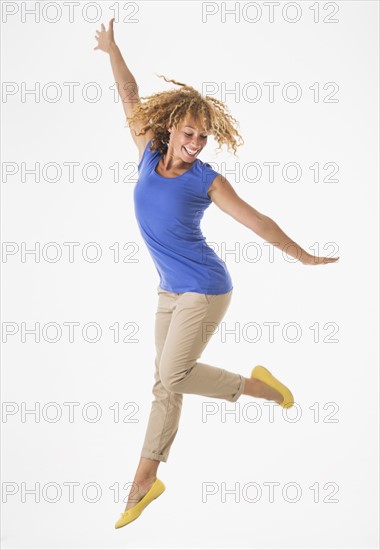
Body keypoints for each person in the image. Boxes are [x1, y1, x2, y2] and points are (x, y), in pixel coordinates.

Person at [94, 19, 340, 529]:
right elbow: (128, 92)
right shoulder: (147, 154)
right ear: (169, 128)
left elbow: (257, 221)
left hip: (206, 289)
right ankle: (143, 485)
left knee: (172, 374)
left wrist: (301, 255)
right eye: (189, 133)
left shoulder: (207, 180)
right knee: (164, 385)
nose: (196, 143)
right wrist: (112, 49)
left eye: (203, 137)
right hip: (169, 289)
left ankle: (261, 389)